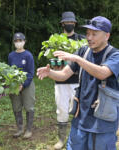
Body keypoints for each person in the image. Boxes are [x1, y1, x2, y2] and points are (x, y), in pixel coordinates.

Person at [37, 16, 119, 150]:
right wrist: (50, 73)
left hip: (103, 122)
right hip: (81, 118)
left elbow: (103, 73)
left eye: (94, 34)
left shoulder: (115, 55)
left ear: (107, 36)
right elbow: (64, 75)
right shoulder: (83, 51)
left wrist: (77, 59)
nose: (89, 37)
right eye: (87, 33)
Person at [53, 11, 85, 150]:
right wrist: (57, 64)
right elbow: (53, 61)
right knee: (62, 110)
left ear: (75, 24)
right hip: (60, 81)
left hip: (77, 80)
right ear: (62, 24)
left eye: (71, 22)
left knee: (78, 110)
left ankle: (78, 137)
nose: (69, 24)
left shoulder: (82, 40)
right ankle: (61, 139)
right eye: (67, 22)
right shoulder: (56, 41)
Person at [8, 32, 35, 139]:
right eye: (16, 41)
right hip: (14, 85)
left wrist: (23, 85)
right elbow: (9, 71)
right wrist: (11, 85)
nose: (18, 43)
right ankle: (19, 129)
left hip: (27, 84)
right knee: (16, 106)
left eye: (20, 41)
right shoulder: (11, 55)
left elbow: (31, 72)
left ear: (24, 41)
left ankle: (28, 130)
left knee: (29, 107)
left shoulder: (28, 55)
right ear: (14, 42)